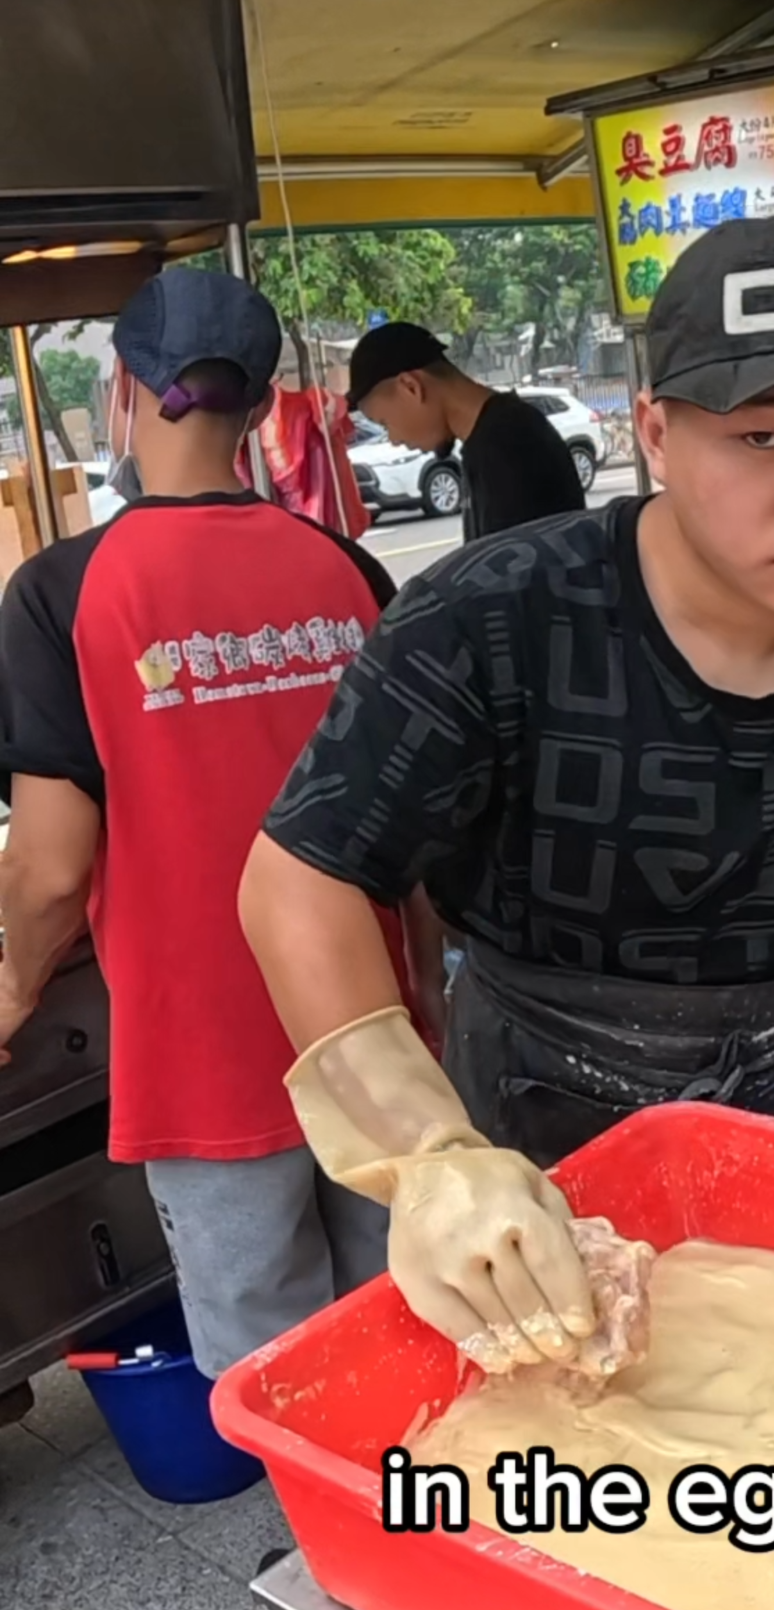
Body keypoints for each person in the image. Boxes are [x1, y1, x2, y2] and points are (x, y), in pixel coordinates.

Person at [238, 217, 774, 1370]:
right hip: (531, 1103)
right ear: (653, 432)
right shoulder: (491, 618)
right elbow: (298, 878)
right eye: (759, 435)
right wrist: (427, 1155)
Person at [0, 265, 436, 1380]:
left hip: (202, 1051)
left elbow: (51, 867)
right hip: (367, 1024)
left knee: (279, 1369)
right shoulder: (345, 569)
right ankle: (413, 1532)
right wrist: (424, 996)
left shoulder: (63, 592)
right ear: (259, 406)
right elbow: (413, 824)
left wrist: (10, 985)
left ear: (125, 393)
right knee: (404, 1326)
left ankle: (325, 1547)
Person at [344, 322, 586, 543]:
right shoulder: (489, 437)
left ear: (411, 387)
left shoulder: (508, 444)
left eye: (386, 423)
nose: (395, 440)